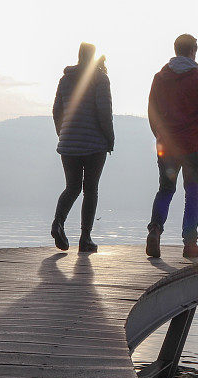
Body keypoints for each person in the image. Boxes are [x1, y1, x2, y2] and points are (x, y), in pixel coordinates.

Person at [145, 34, 198, 258]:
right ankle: (190, 244)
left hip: (166, 145)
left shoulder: (159, 78)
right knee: (192, 193)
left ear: (176, 50)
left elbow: (152, 111)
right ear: (194, 51)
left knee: (165, 189)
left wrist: (160, 134)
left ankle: (155, 230)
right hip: (193, 144)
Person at [51, 43, 114, 252]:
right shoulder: (100, 78)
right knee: (91, 189)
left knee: (72, 187)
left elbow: (56, 110)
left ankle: (58, 223)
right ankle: (85, 238)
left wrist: (64, 133)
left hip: (69, 143)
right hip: (94, 143)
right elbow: (104, 112)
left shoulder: (65, 79)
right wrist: (110, 138)